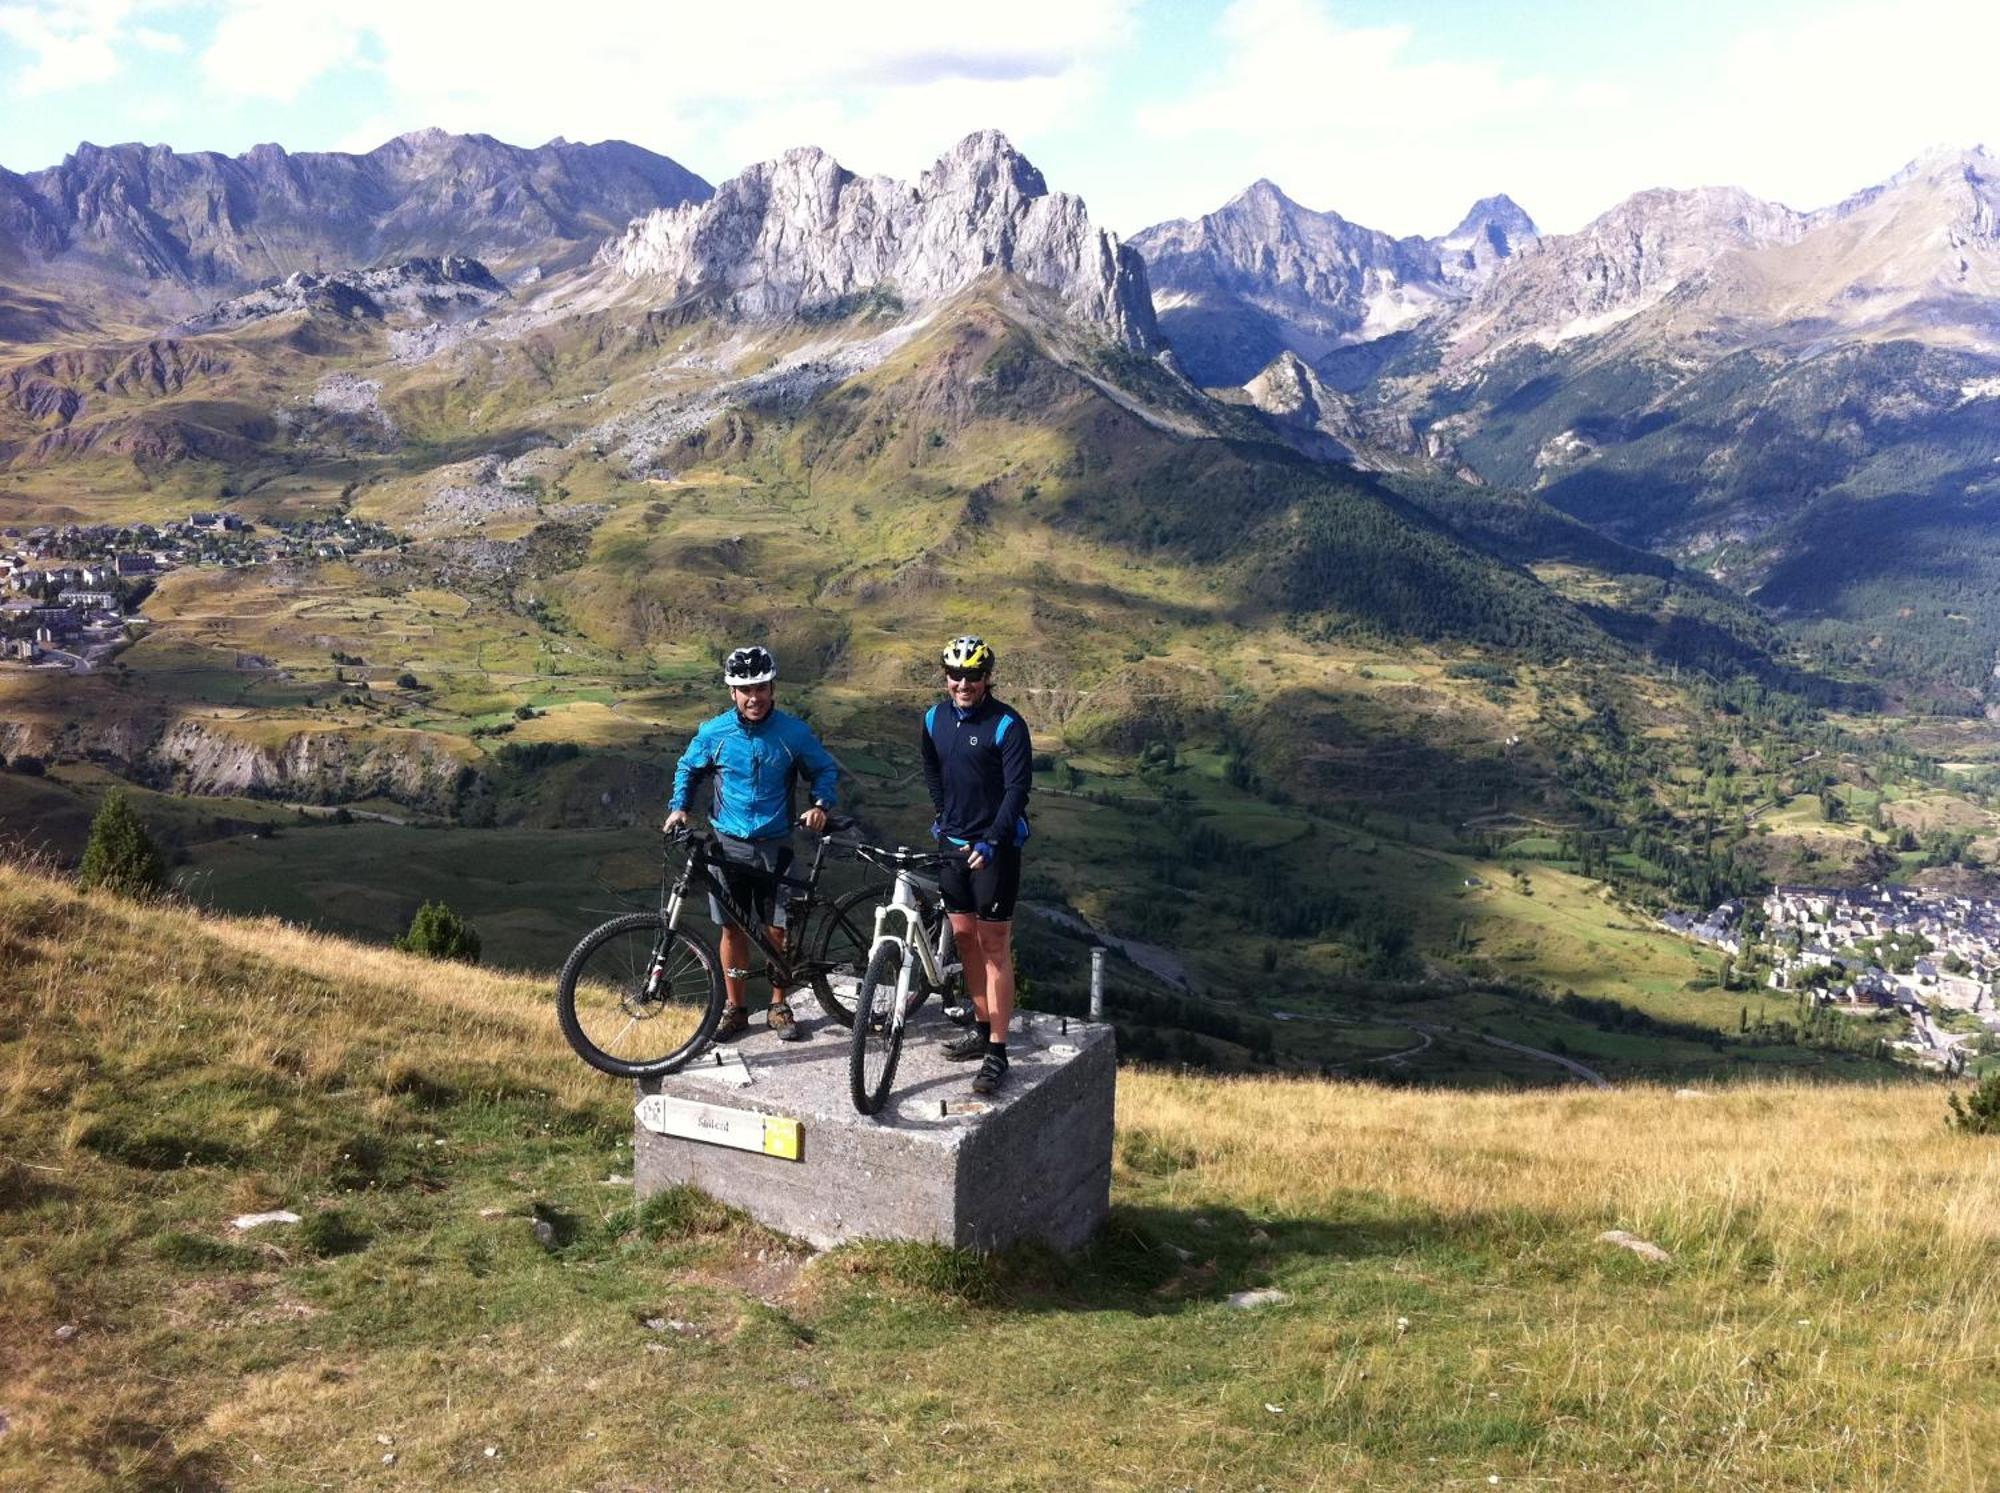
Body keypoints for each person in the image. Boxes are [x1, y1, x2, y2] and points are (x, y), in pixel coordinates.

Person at [663, 645, 837, 1042]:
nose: (754, 697)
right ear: (732, 693)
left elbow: (823, 769)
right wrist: (679, 809)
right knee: (732, 931)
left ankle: (779, 1004)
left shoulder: (793, 733)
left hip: (776, 846)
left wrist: (821, 804)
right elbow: (687, 768)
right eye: (745, 689)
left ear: (772, 688)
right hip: (728, 846)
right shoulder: (714, 733)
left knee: (778, 930)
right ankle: (735, 1008)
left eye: (760, 687)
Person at [920, 635, 1032, 1096]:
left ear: (988, 678)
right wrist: (943, 818)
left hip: (995, 850)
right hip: (953, 845)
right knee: (963, 938)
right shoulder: (933, 718)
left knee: (993, 945)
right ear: (946, 676)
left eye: (973, 675)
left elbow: (1016, 791)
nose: (963, 683)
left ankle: (998, 1052)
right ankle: (983, 1027)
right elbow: (932, 769)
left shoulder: (1007, 724)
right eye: (955, 674)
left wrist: (991, 839)